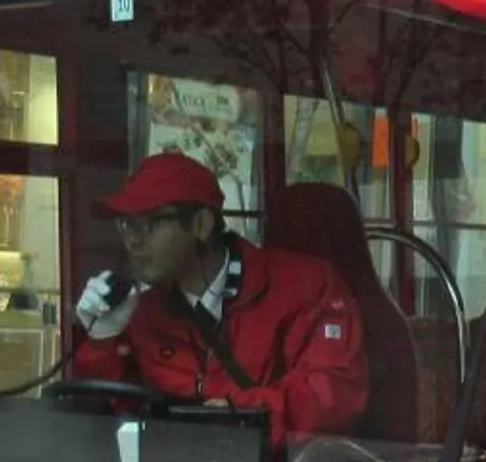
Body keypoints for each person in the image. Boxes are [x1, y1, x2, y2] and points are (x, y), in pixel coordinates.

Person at [70, 150, 369, 442]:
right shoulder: (140, 312)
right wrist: (102, 339)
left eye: (148, 223)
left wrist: (238, 414)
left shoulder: (305, 286)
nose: (133, 240)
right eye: (125, 224)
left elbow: (333, 394)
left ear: (202, 224)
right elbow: (111, 413)